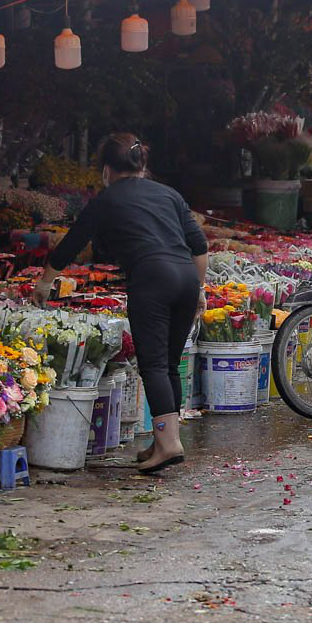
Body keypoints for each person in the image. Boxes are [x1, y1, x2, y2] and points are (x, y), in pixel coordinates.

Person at [33, 135, 207, 474]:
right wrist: (200, 289)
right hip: (186, 276)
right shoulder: (169, 194)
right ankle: (163, 440)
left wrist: (45, 281)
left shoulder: (107, 200)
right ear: (142, 165)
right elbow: (199, 246)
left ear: (107, 170)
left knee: (154, 364)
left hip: (152, 277)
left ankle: (169, 444)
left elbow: (72, 243)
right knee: (170, 364)